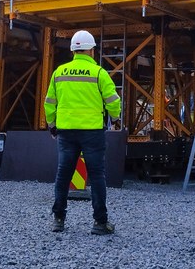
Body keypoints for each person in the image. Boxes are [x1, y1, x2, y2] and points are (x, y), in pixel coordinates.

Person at [44, 29, 121, 235]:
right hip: (92, 132)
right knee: (96, 176)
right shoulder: (99, 73)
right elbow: (113, 101)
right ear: (92, 51)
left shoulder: (59, 73)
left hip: (66, 131)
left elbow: (49, 102)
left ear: (72, 51)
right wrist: (115, 118)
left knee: (63, 175)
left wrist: (52, 125)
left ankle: (58, 220)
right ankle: (100, 223)